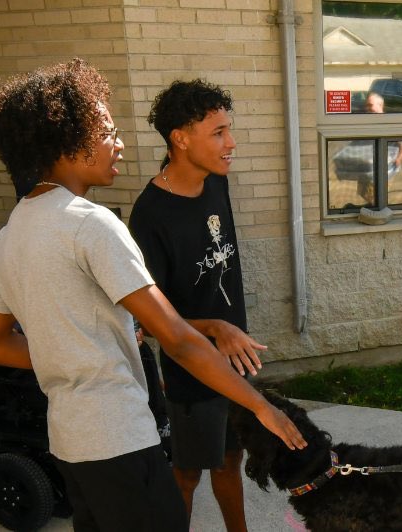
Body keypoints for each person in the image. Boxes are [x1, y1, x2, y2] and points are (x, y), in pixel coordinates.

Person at [0, 59, 306, 532]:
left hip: (70, 443)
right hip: (119, 437)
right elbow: (177, 338)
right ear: (65, 139)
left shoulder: (12, 232)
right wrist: (260, 406)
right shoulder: (91, 223)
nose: (120, 143)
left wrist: (65, 357)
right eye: (107, 130)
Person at [128, 79, 257, 531]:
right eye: (218, 132)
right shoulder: (150, 214)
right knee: (187, 471)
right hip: (192, 365)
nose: (231, 142)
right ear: (180, 139)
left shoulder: (216, 184)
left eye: (229, 129)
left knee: (229, 459)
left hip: (234, 359)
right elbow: (148, 316)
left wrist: (230, 332)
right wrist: (215, 328)